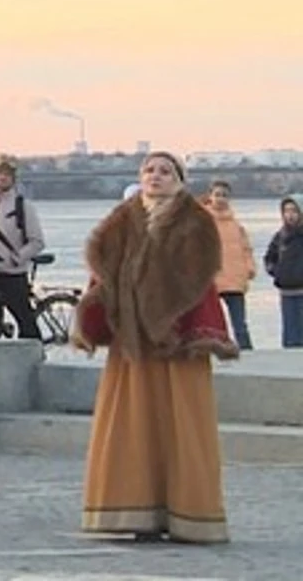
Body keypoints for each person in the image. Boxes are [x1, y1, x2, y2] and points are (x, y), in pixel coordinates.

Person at [73, 151, 235, 544]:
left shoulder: (195, 223)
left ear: (179, 179)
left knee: (180, 426)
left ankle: (186, 515)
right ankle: (134, 509)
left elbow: (198, 281)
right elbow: (103, 277)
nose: (155, 177)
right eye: (149, 170)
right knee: (131, 428)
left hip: (176, 343)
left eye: (165, 171)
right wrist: (94, 317)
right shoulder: (120, 224)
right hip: (132, 345)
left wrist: (186, 326)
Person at [0, 158, 46, 339]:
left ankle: (34, 356)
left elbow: (37, 242)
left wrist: (17, 258)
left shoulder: (22, 206)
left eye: (6, 175)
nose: (2, 179)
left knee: (26, 322)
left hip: (12, 274)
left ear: (13, 180)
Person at [203, 181, 257, 352]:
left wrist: (250, 268)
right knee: (212, 321)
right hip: (211, 280)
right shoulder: (202, 222)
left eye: (224, 195)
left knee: (240, 323)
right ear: (210, 197)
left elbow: (246, 249)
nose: (220, 199)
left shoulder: (236, 225)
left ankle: (248, 353)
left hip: (235, 279)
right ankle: (215, 351)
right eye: (217, 194)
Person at [267, 195, 303, 348]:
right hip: (286, 290)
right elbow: (270, 257)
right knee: (289, 331)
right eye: (286, 211)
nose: (290, 214)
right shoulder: (280, 236)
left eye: (294, 210)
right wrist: (276, 272)